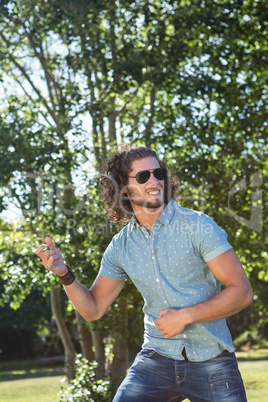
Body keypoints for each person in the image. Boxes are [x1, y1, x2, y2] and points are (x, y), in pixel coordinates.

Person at [35, 145, 253, 401]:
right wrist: (64, 273)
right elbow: (93, 310)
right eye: (142, 176)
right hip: (156, 359)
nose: (154, 181)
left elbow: (242, 292)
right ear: (123, 188)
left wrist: (185, 315)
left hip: (211, 359)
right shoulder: (121, 246)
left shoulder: (198, 225)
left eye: (158, 173)